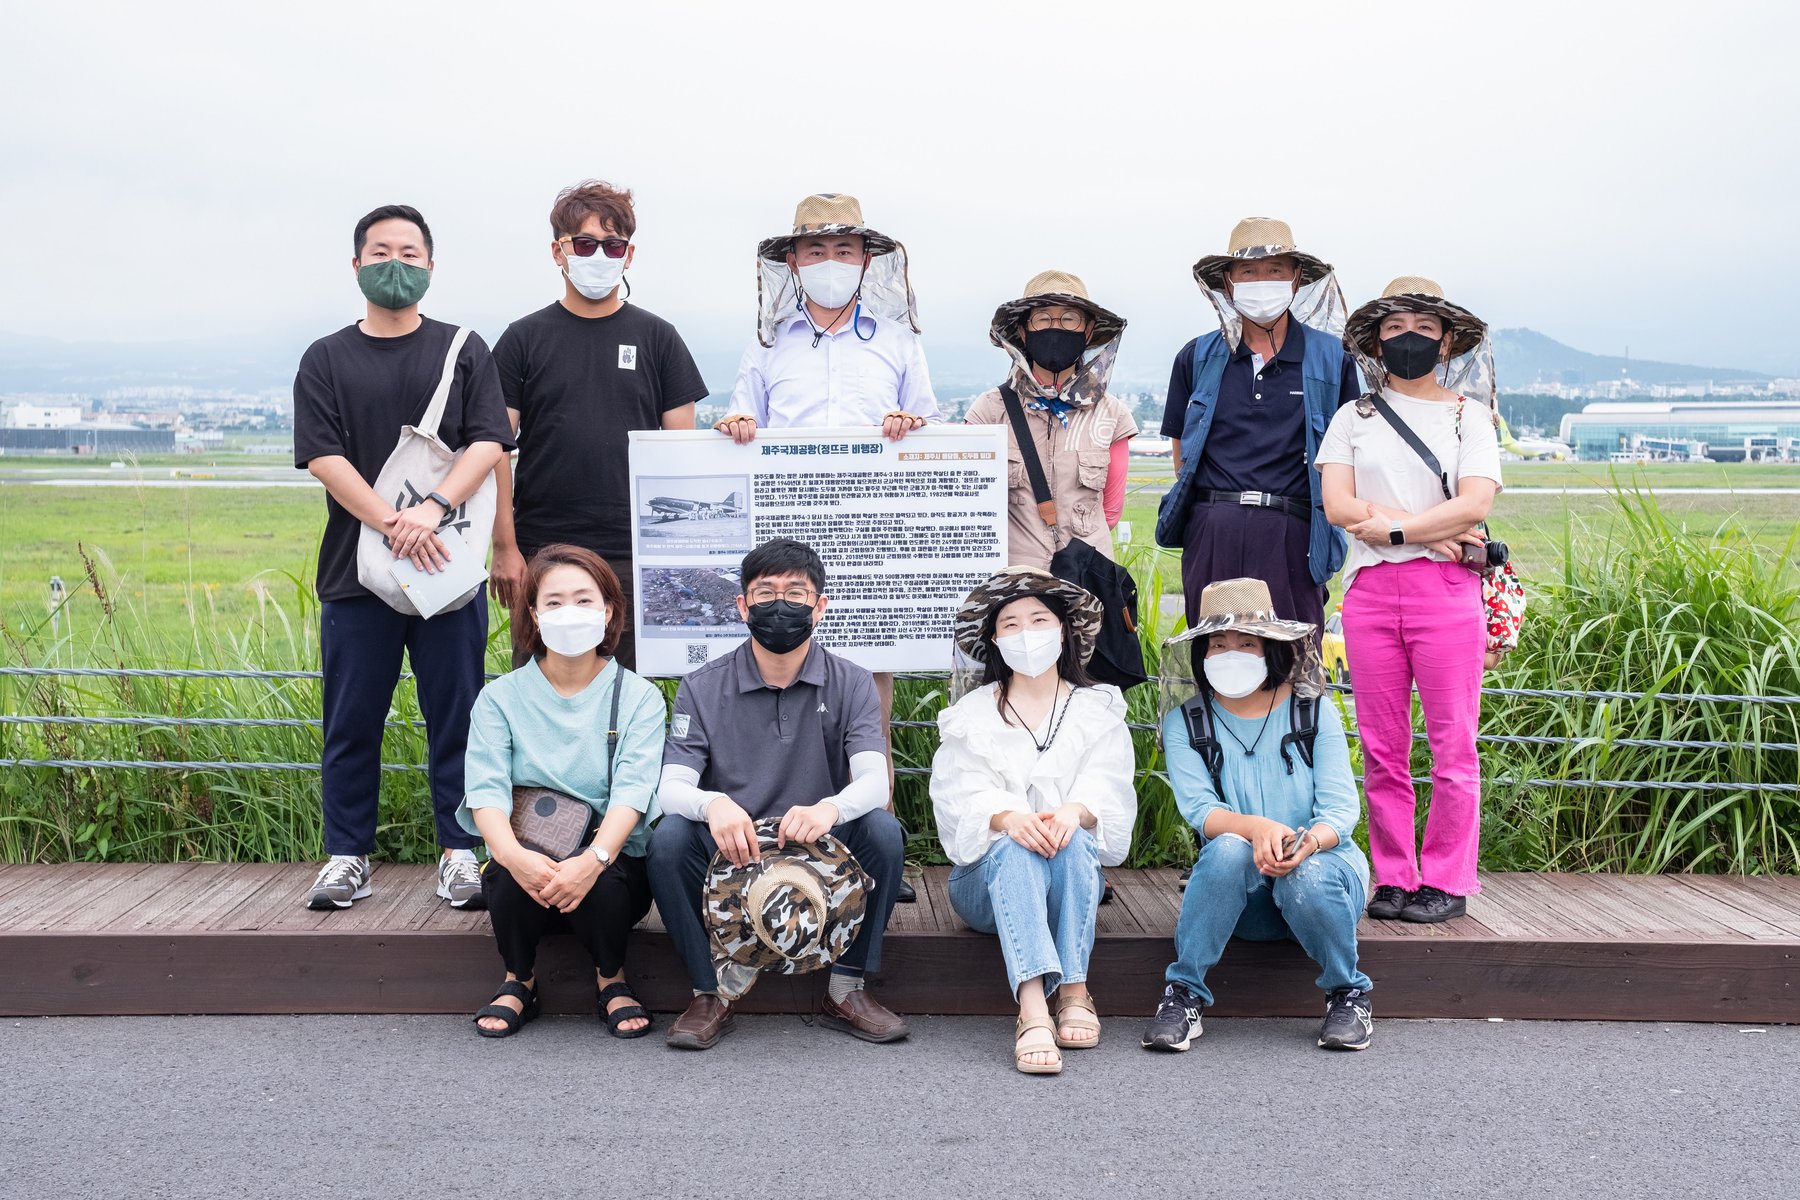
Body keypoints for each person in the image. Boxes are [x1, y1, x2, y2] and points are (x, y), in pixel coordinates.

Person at [718, 192, 945, 902]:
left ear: (866, 260)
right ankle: (784, 837)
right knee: (787, 696)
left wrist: (913, 427)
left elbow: (933, 440)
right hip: (791, 554)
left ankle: (882, 845)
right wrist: (734, 427)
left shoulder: (900, 343)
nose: (829, 263)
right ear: (792, 261)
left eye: (844, 251)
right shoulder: (767, 342)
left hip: (871, 544)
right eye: (815, 251)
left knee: (866, 699)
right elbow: (739, 417)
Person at [293, 204, 514, 912]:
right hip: (356, 572)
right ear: (356, 263)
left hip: (447, 568)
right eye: (383, 251)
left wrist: (431, 510)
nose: (398, 263)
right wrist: (391, 520)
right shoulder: (325, 357)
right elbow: (322, 456)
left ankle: (459, 850)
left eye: (411, 252)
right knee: (351, 717)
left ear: (430, 265)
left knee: (457, 713)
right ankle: (347, 854)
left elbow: (488, 441)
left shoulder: (464, 346)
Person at [649, 538, 909, 1048]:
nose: (780, 605)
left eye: (796, 593)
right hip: (735, 846)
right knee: (669, 839)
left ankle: (847, 985)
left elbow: (875, 782)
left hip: (821, 844)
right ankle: (710, 991)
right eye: (765, 593)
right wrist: (713, 803)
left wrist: (830, 808)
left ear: (820, 607)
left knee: (882, 829)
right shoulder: (702, 686)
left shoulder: (852, 681)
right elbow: (670, 787)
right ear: (742, 606)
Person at [1317, 277, 1501, 924]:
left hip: (1447, 595)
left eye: (1424, 329)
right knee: (1382, 745)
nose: (1409, 340)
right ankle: (1395, 874)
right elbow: (1338, 506)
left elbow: (1476, 503)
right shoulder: (1354, 417)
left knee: (1453, 743)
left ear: (1447, 339)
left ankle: (1448, 878)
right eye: (1395, 330)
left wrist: (1396, 530)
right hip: (1370, 593)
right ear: (1376, 342)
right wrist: (1430, 526)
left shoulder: (1467, 416)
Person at [1141, 578, 1374, 1054]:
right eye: (1218, 644)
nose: (1231, 653)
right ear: (1201, 653)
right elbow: (1201, 812)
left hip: (1325, 879)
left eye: (1246, 643)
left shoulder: (1314, 712)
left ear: (1271, 647)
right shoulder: (1186, 722)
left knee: (1304, 875)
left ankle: (1348, 994)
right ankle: (1184, 993)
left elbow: (1339, 809)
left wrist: (1306, 843)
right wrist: (1258, 830)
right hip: (1245, 897)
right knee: (1226, 848)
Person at [489, 179, 711, 670]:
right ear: (558, 251)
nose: (600, 256)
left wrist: (679, 556)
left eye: (613, 245)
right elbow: (494, 448)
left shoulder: (658, 338)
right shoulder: (522, 340)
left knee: (623, 690)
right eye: (585, 244)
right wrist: (504, 546)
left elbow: (682, 455)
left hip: (633, 552)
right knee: (539, 688)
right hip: (541, 550)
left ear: (628, 255)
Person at [931, 568, 1136, 1074]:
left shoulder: (1098, 709)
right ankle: (1032, 1007)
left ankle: (1074, 990)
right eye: (1011, 625)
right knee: (1018, 842)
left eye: (1038, 620)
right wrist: (1007, 817)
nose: (1026, 634)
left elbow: (1109, 790)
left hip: (1067, 876)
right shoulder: (972, 714)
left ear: (1063, 630)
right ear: (995, 641)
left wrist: (1073, 811)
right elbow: (958, 798)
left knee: (1074, 837)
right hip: (984, 883)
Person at [459, 546, 665, 1038]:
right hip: (526, 867)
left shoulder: (639, 696)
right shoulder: (499, 698)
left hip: (604, 862)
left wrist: (592, 859)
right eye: (553, 602)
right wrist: (512, 854)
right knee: (506, 875)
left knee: (609, 881)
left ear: (609, 610)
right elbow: (485, 788)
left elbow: (633, 793)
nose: (568, 612)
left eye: (583, 599)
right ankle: (518, 979)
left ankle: (610, 978)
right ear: (532, 613)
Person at [1155, 218, 1360, 636]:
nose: (1261, 281)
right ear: (1228, 284)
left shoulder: (1331, 358)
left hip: (1293, 532)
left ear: (1296, 278)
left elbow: (1350, 456)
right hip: (1214, 526)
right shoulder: (1196, 357)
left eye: (1275, 270)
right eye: (1248, 272)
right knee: (1213, 654)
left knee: (1296, 660)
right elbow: (1182, 456)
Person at [963, 272, 1138, 573]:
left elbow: (1110, 511)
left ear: (1088, 330)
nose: (1055, 328)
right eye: (1043, 319)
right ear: (1023, 330)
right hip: (1013, 581)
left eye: (1069, 319)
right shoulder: (989, 411)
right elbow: (968, 497)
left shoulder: (1112, 415)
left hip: (1087, 578)